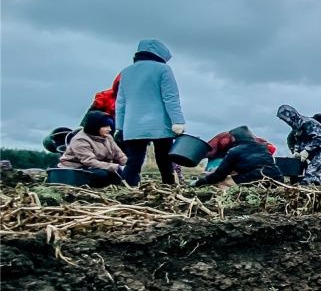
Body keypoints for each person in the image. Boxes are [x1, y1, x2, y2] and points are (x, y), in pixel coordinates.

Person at [116, 39, 185, 186]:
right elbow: (170, 98)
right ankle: (169, 187)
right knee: (164, 160)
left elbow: (121, 102)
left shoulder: (126, 72)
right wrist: (177, 121)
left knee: (134, 161)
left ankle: (125, 187)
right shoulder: (163, 69)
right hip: (159, 124)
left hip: (133, 125)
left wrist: (120, 126)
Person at [193, 126, 283, 187]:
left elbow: (219, 175)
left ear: (233, 138)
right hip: (277, 178)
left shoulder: (234, 151)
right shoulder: (262, 147)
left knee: (221, 183)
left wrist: (200, 182)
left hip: (255, 179)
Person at [57, 111, 127, 187]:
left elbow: (118, 153)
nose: (109, 129)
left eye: (110, 126)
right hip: (77, 169)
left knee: (123, 175)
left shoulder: (107, 137)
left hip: (99, 166)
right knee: (102, 175)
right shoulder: (80, 140)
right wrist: (116, 167)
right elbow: (89, 161)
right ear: (95, 126)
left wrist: (128, 165)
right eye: (105, 126)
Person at [277, 105, 321, 185]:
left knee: (311, 171)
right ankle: (320, 183)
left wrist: (307, 150)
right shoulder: (296, 127)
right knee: (305, 168)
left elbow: (320, 139)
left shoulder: (308, 123)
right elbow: (295, 140)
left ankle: (310, 186)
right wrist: (295, 151)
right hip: (311, 148)